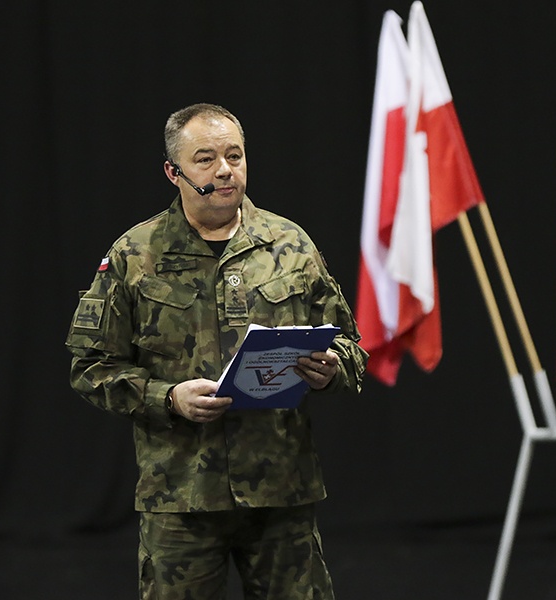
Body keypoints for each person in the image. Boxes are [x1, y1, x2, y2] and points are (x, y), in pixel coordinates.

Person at [66, 103, 368, 599]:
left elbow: (350, 344)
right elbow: (90, 368)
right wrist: (167, 397)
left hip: (280, 489)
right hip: (182, 494)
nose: (225, 170)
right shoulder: (134, 256)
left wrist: (332, 367)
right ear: (173, 172)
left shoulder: (289, 244)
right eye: (205, 159)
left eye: (235, 155)